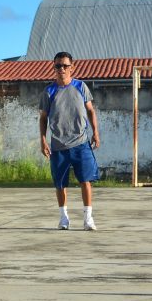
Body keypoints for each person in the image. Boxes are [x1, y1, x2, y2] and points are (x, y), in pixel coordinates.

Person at [38, 52, 101, 230]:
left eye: (65, 66)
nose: (62, 69)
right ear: (54, 67)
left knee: (85, 180)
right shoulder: (48, 92)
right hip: (58, 145)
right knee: (60, 183)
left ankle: (88, 218)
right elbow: (43, 118)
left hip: (81, 143)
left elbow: (91, 111)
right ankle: (63, 218)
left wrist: (95, 132)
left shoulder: (81, 87)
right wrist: (43, 140)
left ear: (72, 67)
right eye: (58, 66)